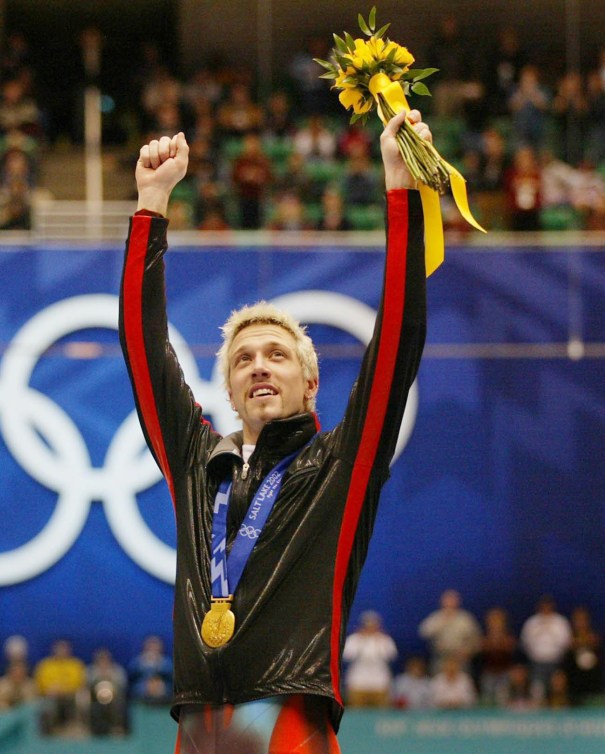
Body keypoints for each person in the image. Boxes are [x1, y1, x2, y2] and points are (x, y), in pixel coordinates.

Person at [119, 107, 431, 752]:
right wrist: (151, 206)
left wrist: (400, 191)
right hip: (200, 724)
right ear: (229, 392)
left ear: (311, 384)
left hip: (288, 717)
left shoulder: (341, 466)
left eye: (277, 355)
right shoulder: (198, 463)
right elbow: (143, 352)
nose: (258, 364)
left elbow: (397, 344)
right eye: (242, 359)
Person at [519, 595, 572, 703]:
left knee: (557, 684)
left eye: (548, 607)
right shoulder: (532, 622)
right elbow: (525, 642)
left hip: (556, 661)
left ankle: (558, 705)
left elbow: (566, 641)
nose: (546, 609)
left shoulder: (560, 622)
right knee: (537, 688)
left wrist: (550, 631)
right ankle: (537, 706)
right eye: (543, 607)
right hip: (536, 662)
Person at [342, 611, 397, 707]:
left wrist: (379, 642)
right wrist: (360, 641)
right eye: (368, 625)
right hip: (358, 682)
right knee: (356, 712)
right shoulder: (354, 639)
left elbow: (391, 656)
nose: (370, 628)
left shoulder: (385, 639)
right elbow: (347, 656)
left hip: (380, 682)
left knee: (381, 712)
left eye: (373, 625)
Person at [418, 589, 482, 673]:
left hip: (460, 660)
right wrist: (442, 622)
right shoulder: (436, 617)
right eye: (447, 600)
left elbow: (477, 639)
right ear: (442, 602)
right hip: (441, 659)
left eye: (452, 600)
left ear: (458, 602)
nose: (450, 603)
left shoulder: (465, 619)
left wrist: (469, 652)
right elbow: (423, 632)